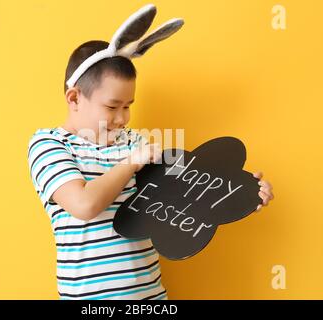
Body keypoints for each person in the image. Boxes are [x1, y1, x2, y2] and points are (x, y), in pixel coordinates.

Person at [27, 5, 274, 300]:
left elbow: (188, 195)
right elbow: (83, 205)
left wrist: (241, 194)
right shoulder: (49, 144)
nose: (122, 118)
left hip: (151, 296)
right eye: (112, 106)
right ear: (75, 98)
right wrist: (132, 163)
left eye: (128, 105)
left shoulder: (136, 143)